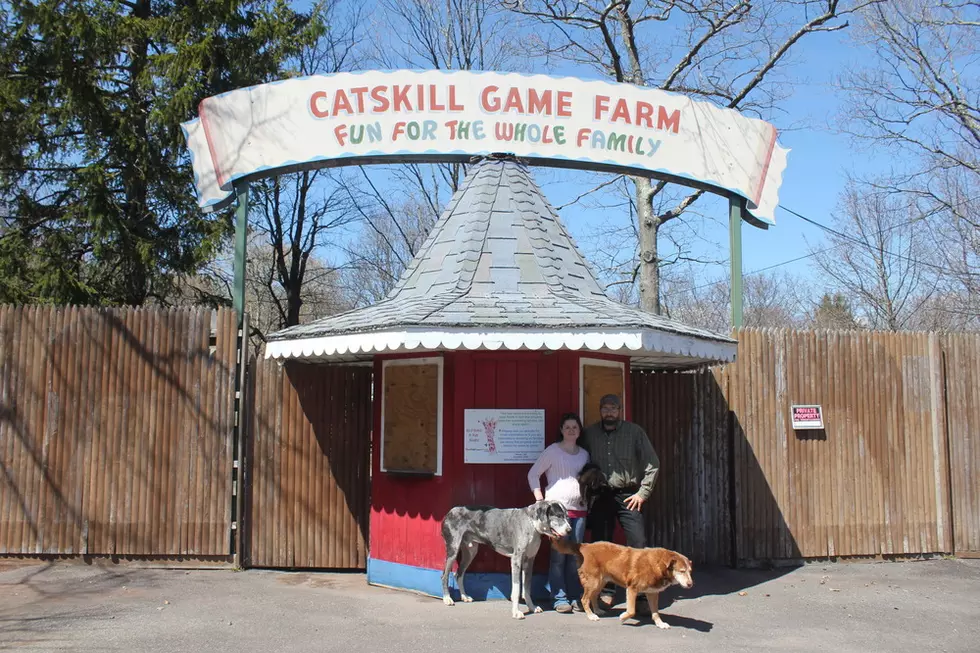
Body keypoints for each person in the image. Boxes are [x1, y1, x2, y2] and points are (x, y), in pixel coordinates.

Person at [579, 393, 660, 607]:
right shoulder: (590, 434)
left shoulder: (634, 432)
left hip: (628, 495)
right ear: (600, 410)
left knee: (638, 542)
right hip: (601, 494)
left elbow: (653, 462)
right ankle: (605, 589)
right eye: (605, 408)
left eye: (613, 408)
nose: (609, 412)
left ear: (620, 410)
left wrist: (642, 493)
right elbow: (576, 457)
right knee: (602, 543)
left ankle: (641, 591)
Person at [527, 412, 590, 614]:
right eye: (567, 427)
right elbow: (533, 474)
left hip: (580, 511)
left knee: (575, 557)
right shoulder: (553, 451)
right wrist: (539, 499)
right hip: (557, 515)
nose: (571, 430)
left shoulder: (584, 454)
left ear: (579, 431)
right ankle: (559, 598)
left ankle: (574, 597)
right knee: (558, 558)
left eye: (575, 427)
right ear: (561, 430)